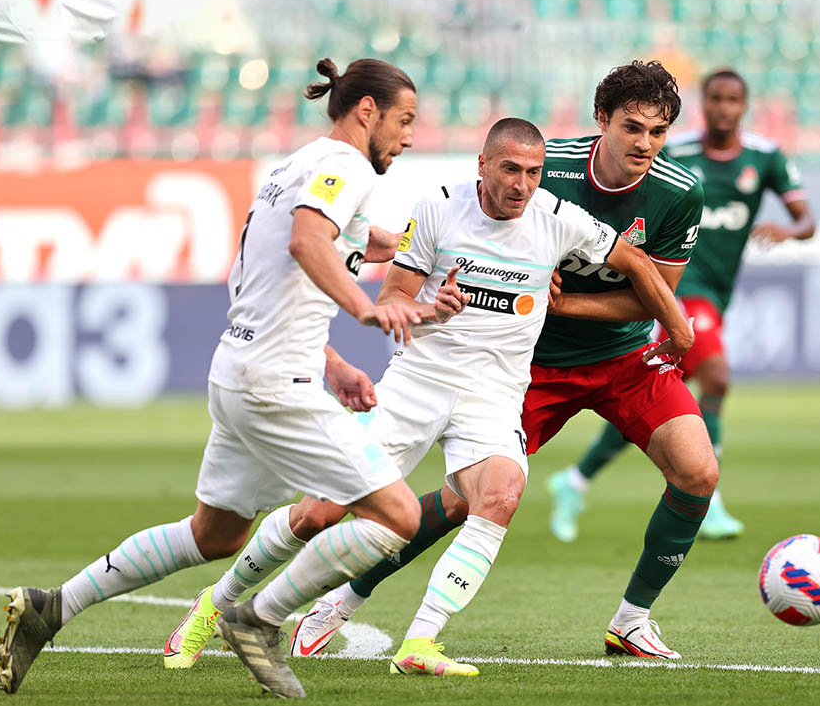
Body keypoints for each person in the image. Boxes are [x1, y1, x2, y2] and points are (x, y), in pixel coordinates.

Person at [0, 57, 456, 697]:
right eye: (404, 121)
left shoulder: (292, 168)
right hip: (275, 387)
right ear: (367, 111)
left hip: (241, 370)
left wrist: (334, 359)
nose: (408, 137)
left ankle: (53, 607)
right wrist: (368, 309)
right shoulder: (344, 166)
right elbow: (306, 242)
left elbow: (306, 259)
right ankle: (258, 619)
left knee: (214, 535)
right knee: (400, 515)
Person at [192, 115, 694, 692]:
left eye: (533, 173)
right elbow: (394, 295)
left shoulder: (558, 217)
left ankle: (421, 642)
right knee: (317, 514)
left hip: (492, 395)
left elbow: (636, 263)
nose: (522, 185)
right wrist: (433, 307)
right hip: (417, 382)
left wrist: (678, 330)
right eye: (510, 170)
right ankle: (218, 601)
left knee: (500, 492)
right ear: (483, 165)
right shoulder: (437, 207)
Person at [295, 59, 718, 665]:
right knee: (467, 499)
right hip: (532, 362)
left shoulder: (680, 192)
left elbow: (653, 292)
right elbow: (468, 228)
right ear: (602, 120)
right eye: (632, 127)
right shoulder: (547, 169)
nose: (645, 144)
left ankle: (632, 621)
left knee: (698, 472)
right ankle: (341, 599)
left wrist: (566, 301)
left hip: (623, 354)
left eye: (658, 132)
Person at [548, 67, 815, 542]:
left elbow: (807, 220)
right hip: (680, 289)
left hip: (718, 288)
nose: (724, 108)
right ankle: (710, 500)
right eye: (715, 98)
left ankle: (576, 479)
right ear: (703, 103)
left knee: (655, 406)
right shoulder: (674, 155)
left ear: (745, 106)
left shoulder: (764, 158)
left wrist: (789, 231)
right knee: (716, 376)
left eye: (733, 100)